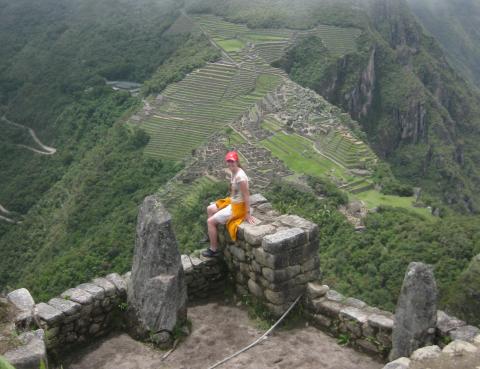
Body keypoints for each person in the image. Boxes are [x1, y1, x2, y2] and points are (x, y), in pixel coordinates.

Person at [202, 151, 255, 257]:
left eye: (232, 161)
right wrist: (226, 202)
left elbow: (246, 195)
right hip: (233, 202)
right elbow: (233, 192)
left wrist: (247, 213)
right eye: (229, 161)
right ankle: (213, 236)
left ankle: (213, 249)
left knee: (210, 222)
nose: (230, 164)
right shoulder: (234, 172)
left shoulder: (240, 177)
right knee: (209, 209)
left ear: (237, 161)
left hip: (238, 207)